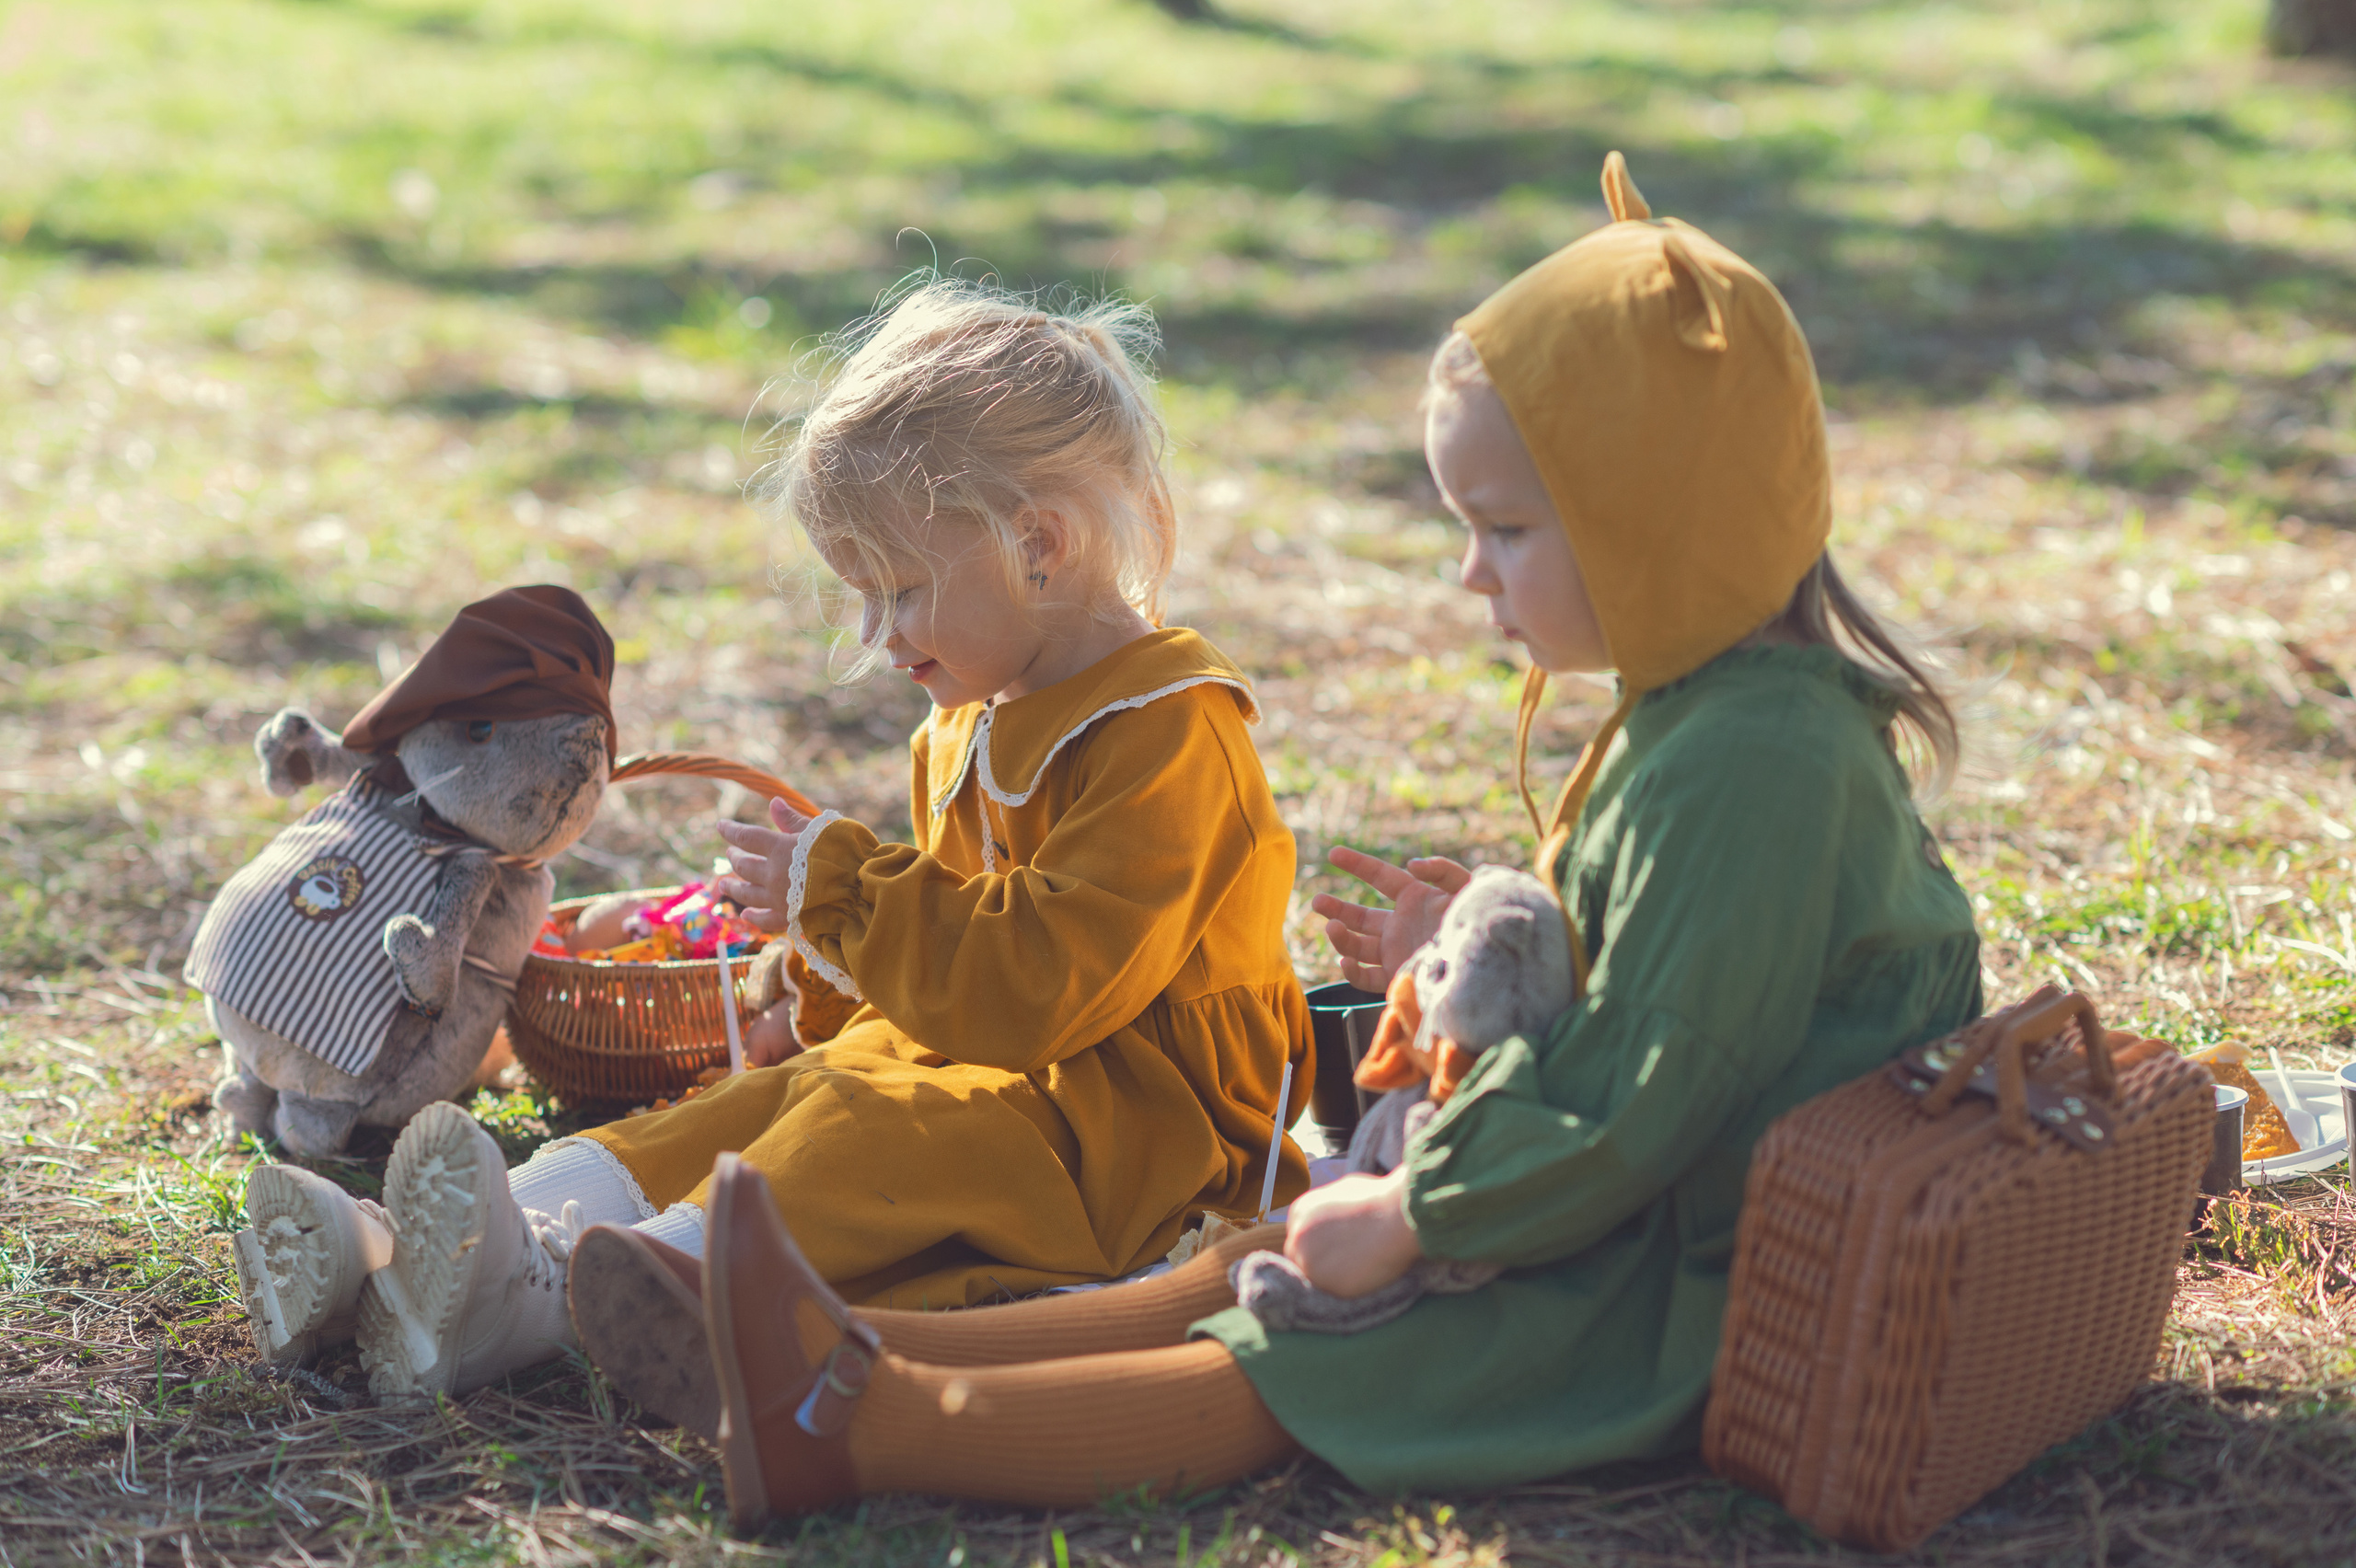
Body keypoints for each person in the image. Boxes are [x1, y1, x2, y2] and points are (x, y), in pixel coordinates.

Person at [568, 152, 1985, 1524]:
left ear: (1658, 524)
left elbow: (1653, 1091)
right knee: (1246, 1267)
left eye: (1503, 530)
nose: (1467, 571)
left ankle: (862, 1430)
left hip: (1672, 1274)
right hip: (1610, 1197)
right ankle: (827, 1359)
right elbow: (1641, 996)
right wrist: (1456, 964)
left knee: (1287, 1351)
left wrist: (1420, 1217)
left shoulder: (1754, 765)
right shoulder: (1707, 716)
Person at [234, 282, 1316, 1406]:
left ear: (1037, 544)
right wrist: (821, 977)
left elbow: (1044, 987)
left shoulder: (1170, 730)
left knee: (864, 1128)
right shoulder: (968, 716)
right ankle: (430, 1249)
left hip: (1143, 1133)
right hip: (1005, 1070)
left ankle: (545, 1293)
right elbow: (952, 975)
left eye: (897, 591)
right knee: (766, 1105)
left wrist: (850, 896)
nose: (877, 636)